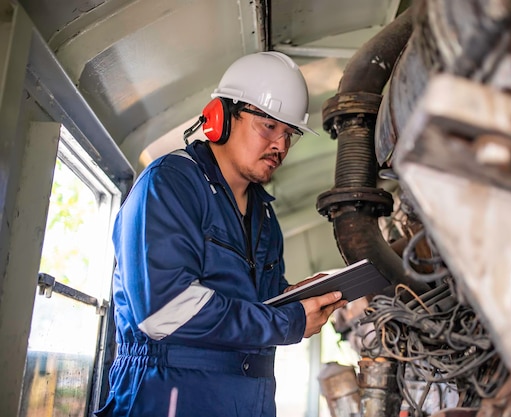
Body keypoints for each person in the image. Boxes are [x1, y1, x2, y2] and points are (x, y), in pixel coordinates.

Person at [95, 51, 348, 417]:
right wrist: (288, 321)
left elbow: (249, 303)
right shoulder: (169, 185)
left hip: (248, 400)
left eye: (289, 133)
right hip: (169, 398)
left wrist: (292, 297)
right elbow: (166, 311)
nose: (281, 146)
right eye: (269, 126)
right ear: (220, 119)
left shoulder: (264, 214)